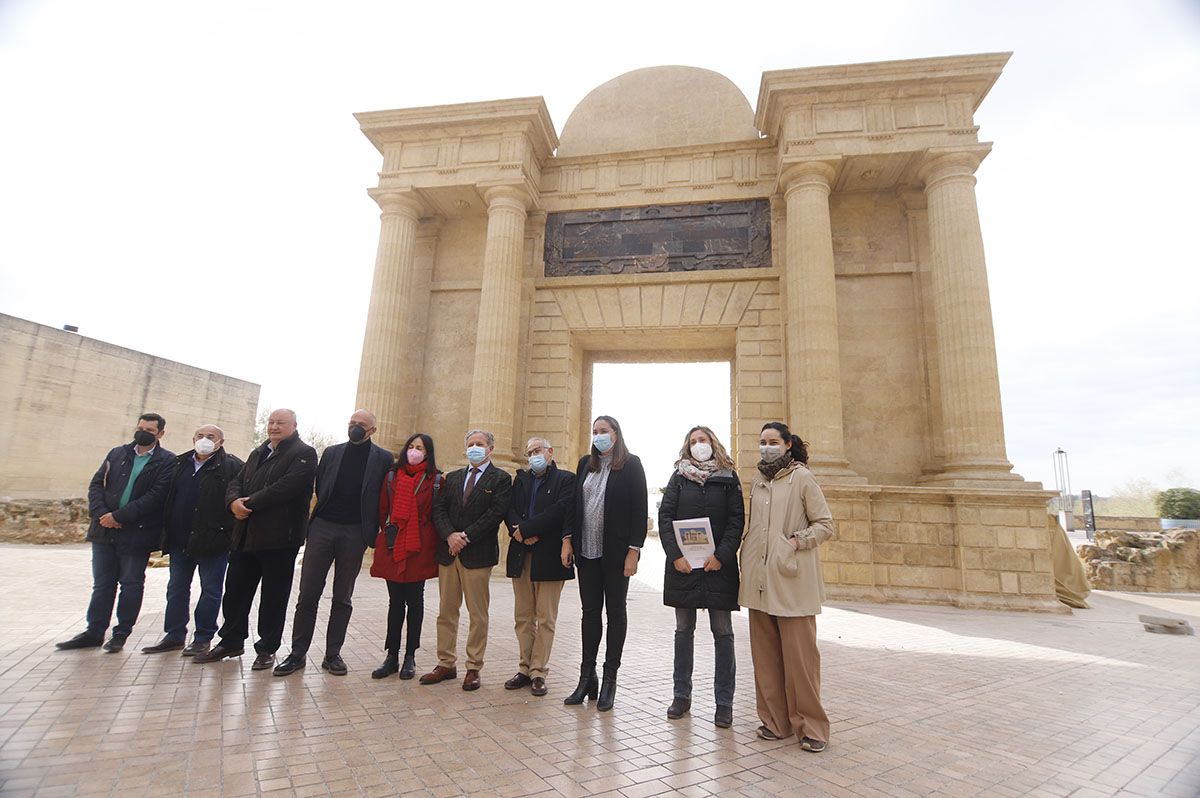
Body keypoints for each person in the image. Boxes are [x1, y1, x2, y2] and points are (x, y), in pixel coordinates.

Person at [274, 410, 393, 677]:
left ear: (372, 430)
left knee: (343, 596)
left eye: (361, 425)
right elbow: (320, 485)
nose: (355, 428)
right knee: (308, 594)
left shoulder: (383, 458)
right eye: (352, 424)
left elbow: (384, 494)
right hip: (323, 527)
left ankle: (332, 654)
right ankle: (297, 653)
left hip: (355, 532)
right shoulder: (331, 452)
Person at [194, 409, 316, 669]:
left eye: (280, 423)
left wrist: (247, 503)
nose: (273, 426)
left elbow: (286, 488)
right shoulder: (258, 452)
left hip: (280, 538)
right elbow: (236, 481)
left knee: (273, 597)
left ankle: (267, 648)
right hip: (245, 535)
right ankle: (231, 641)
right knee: (236, 592)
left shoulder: (303, 454)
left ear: (294, 426)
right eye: (271, 422)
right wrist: (232, 502)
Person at [740, 421, 835, 752]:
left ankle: (812, 727)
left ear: (788, 445)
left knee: (801, 661)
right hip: (760, 581)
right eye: (762, 442)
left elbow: (825, 525)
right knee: (765, 659)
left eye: (773, 442)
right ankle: (775, 722)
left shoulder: (803, 478)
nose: (766, 447)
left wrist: (795, 542)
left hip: (791, 579)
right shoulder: (758, 481)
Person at [57, 413, 174, 653]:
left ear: (160, 434)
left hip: (137, 533)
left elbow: (156, 497)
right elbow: (96, 485)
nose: (142, 433)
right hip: (104, 531)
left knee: (131, 584)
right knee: (102, 584)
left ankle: (120, 634)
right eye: (140, 428)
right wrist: (103, 515)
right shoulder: (117, 453)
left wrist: (119, 517)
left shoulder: (167, 461)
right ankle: (94, 631)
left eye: (149, 430)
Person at [658, 425, 744, 728]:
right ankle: (681, 695)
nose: (698, 445)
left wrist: (721, 556)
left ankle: (724, 702)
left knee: (723, 633)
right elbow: (665, 517)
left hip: (718, 568)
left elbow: (737, 520)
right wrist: (675, 555)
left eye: (703, 440)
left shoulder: (729, 478)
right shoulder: (679, 478)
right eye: (693, 441)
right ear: (687, 446)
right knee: (683, 633)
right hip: (684, 568)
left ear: (713, 443)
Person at [561, 415, 647, 711]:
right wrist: (567, 539)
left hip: (616, 554)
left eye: (604, 431)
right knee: (589, 613)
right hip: (587, 552)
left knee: (616, 612)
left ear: (615, 434)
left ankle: (610, 679)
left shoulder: (631, 464)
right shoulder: (586, 462)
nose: (598, 436)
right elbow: (573, 504)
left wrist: (634, 551)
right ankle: (587, 677)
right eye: (595, 431)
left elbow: (640, 509)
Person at [421, 429, 512, 691]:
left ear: (490, 449)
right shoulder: (452, 478)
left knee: (477, 614)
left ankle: (474, 667)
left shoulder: (501, 479)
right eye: (470, 444)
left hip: (478, 555)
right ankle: (446, 663)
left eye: (480, 444)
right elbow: (438, 509)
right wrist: (450, 535)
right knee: (446, 612)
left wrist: (465, 536)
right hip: (449, 554)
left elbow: (495, 513)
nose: (474, 448)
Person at [142, 424, 243, 657]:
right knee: (176, 588)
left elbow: (236, 498)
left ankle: (203, 637)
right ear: (193, 438)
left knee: (210, 590)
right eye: (200, 436)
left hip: (213, 542)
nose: (205, 440)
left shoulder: (232, 466)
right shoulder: (180, 464)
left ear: (221, 442)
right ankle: (174, 635)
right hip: (180, 539)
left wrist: (226, 534)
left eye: (211, 437)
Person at [503, 437, 575, 697]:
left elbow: (560, 510)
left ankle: (538, 671)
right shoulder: (520, 480)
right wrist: (517, 531)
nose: (534, 455)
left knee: (545, 617)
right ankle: (524, 668)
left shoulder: (566, 480)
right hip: (521, 553)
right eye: (530, 451)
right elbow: (509, 509)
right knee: (523, 616)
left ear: (550, 452)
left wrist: (527, 529)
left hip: (549, 556)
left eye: (538, 450)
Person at [369, 433, 442, 680]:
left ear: (428, 453)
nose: (414, 451)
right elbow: (382, 510)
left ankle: (411, 655)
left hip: (418, 547)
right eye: (411, 446)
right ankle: (392, 655)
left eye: (419, 447)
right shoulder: (392, 476)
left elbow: (435, 513)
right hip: (394, 544)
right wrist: (391, 533)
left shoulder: (435, 479)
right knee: (395, 603)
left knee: (415, 602)